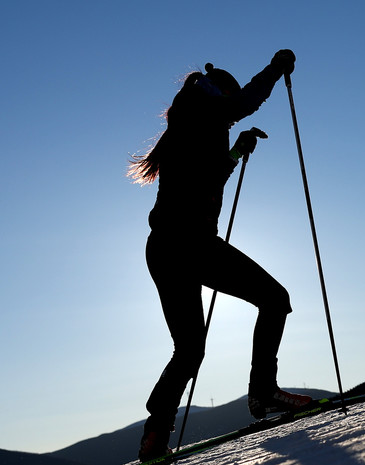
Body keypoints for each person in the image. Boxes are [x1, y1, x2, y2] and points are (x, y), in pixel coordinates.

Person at [128, 49, 311, 462]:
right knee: (275, 299)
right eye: (228, 109)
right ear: (219, 91)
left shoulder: (190, 120)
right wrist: (275, 69)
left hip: (164, 247)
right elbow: (244, 102)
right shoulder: (203, 104)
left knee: (189, 349)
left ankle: (155, 433)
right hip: (191, 243)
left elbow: (207, 177)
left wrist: (235, 153)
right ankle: (264, 390)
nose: (231, 119)